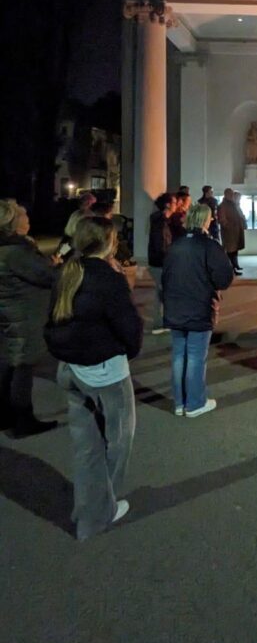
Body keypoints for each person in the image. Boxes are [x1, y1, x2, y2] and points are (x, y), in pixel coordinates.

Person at [45, 217, 143, 539]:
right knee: (118, 440)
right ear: (109, 242)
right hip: (106, 372)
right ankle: (103, 509)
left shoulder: (66, 272)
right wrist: (127, 349)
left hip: (72, 368)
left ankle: (88, 512)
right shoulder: (107, 278)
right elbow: (129, 328)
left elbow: (54, 319)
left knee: (87, 447)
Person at [162, 204, 234, 417]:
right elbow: (224, 277)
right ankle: (194, 403)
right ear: (206, 220)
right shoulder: (210, 246)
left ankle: (179, 402)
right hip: (199, 307)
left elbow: (165, 277)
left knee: (178, 355)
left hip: (175, 307)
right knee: (195, 355)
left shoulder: (176, 245)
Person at [0, 199, 59, 437]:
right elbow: (45, 276)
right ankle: (24, 419)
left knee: (9, 365)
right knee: (22, 368)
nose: (28, 219)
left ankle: (6, 416)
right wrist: (55, 268)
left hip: (11, 314)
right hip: (23, 315)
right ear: (14, 223)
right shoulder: (17, 252)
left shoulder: (8, 249)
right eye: (24, 216)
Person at [147, 193, 174, 333]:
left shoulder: (162, 220)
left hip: (159, 261)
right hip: (160, 262)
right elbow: (160, 244)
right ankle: (160, 323)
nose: (177, 205)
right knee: (162, 292)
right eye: (174, 202)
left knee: (162, 291)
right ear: (168, 205)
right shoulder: (161, 222)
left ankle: (163, 321)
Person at [55, 191, 97, 259]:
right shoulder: (89, 215)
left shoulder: (75, 213)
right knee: (71, 261)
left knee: (60, 257)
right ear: (89, 203)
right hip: (76, 242)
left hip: (67, 239)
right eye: (93, 203)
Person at [218, 188, 243, 275]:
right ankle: (231, 270)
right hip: (229, 234)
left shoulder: (233, 205)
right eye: (231, 194)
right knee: (230, 252)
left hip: (235, 233)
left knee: (234, 251)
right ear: (226, 195)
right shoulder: (223, 206)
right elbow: (222, 220)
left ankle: (234, 267)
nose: (233, 196)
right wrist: (230, 227)